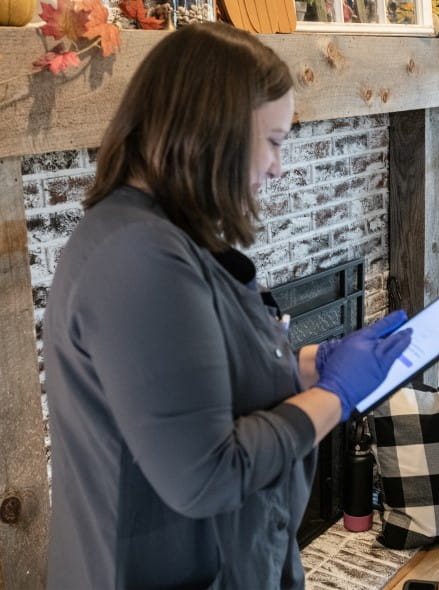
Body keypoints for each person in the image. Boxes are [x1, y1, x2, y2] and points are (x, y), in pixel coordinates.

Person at [43, 22, 411, 590]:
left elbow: (193, 384)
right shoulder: (138, 258)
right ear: (213, 132)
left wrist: (308, 362)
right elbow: (207, 474)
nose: (278, 167)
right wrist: (335, 396)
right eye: (273, 141)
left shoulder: (165, 235)